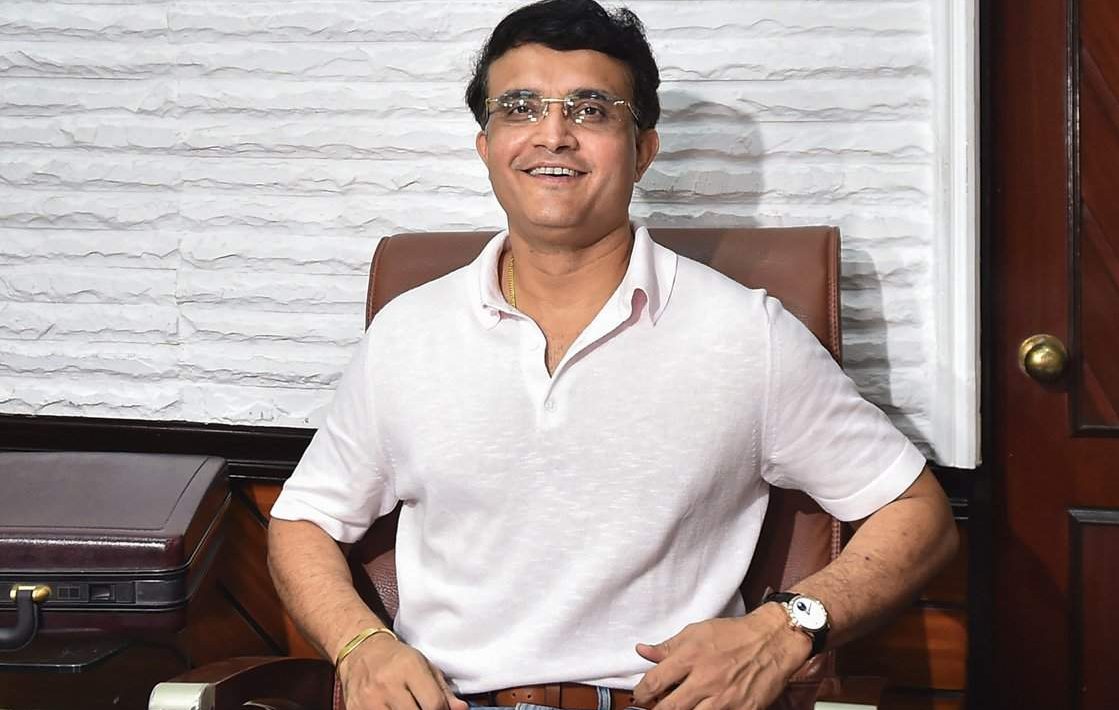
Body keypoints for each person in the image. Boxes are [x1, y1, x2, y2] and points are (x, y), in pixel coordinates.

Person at [267, 2, 959, 709]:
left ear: (643, 149)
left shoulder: (746, 332)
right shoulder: (407, 332)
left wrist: (784, 630)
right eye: (520, 108)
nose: (553, 135)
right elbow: (303, 521)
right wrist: (360, 644)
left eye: (591, 110)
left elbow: (919, 513)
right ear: (486, 145)